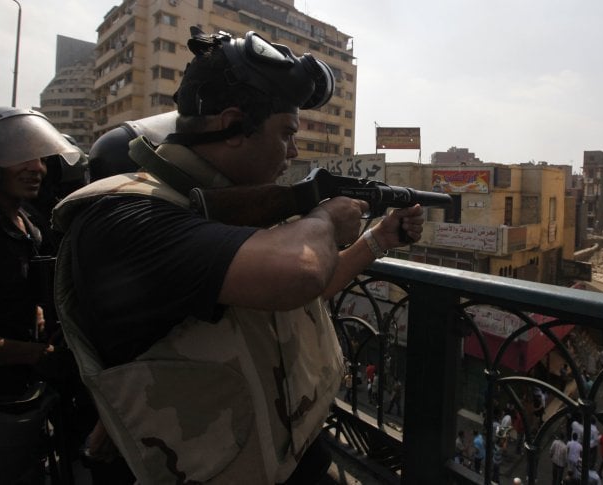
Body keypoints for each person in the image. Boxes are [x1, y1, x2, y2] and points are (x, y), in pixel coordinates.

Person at [52, 28, 425, 485]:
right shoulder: (124, 216)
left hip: (290, 455)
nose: (292, 152)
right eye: (286, 133)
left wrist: (378, 239)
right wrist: (326, 218)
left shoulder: (228, 203)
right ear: (232, 125)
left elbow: (302, 291)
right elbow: (300, 273)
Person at [0, 107, 89, 483]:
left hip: (24, 397)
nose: (36, 168)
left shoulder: (30, 227)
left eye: (41, 157)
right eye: (19, 157)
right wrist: (34, 354)